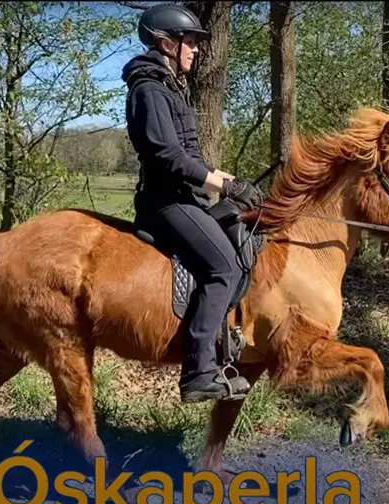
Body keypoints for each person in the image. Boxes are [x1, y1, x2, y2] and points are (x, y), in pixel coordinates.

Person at [121, 4, 264, 403]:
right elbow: (166, 155)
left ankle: (228, 340)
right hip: (165, 204)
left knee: (243, 228)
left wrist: (230, 183)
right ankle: (199, 372)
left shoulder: (168, 87)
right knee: (223, 266)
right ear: (166, 43)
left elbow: (190, 157)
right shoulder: (149, 90)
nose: (196, 49)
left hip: (185, 197)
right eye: (191, 42)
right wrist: (220, 182)